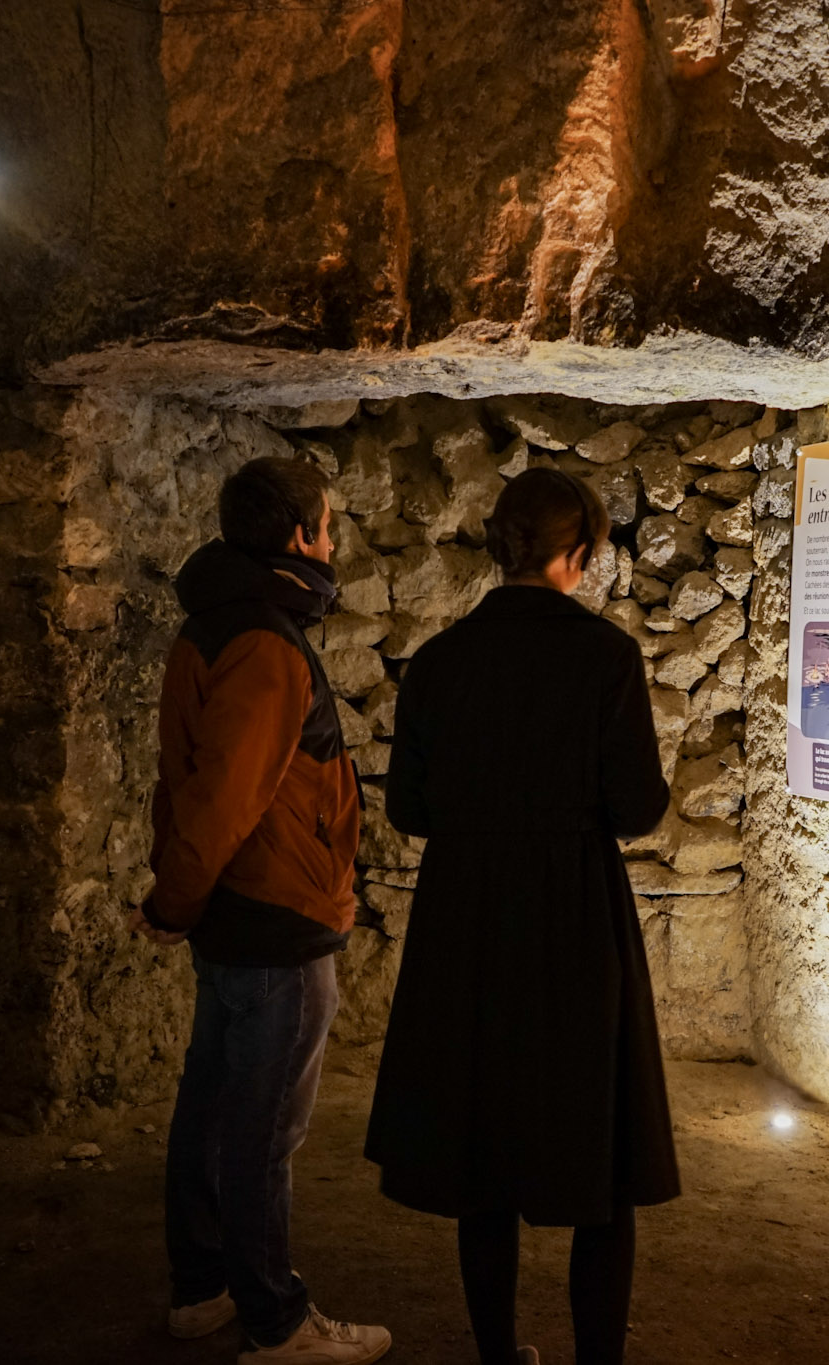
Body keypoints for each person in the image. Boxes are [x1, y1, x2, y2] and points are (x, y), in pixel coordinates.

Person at [365, 467, 677, 1365]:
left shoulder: (439, 661)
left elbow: (410, 809)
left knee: (481, 1153)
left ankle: (498, 1353)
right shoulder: (606, 657)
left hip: (467, 918)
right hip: (576, 916)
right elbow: (637, 806)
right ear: (574, 555)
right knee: (600, 1158)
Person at [133, 457, 391, 1365]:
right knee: (262, 1127)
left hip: (240, 914)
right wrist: (176, 898)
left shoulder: (214, 626)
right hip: (274, 916)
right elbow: (222, 800)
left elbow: (198, 790)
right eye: (326, 525)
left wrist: (182, 897)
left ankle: (203, 1288)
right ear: (296, 536)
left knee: (211, 1107)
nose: (333, 539)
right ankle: (276, 1320)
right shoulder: (266, 643)